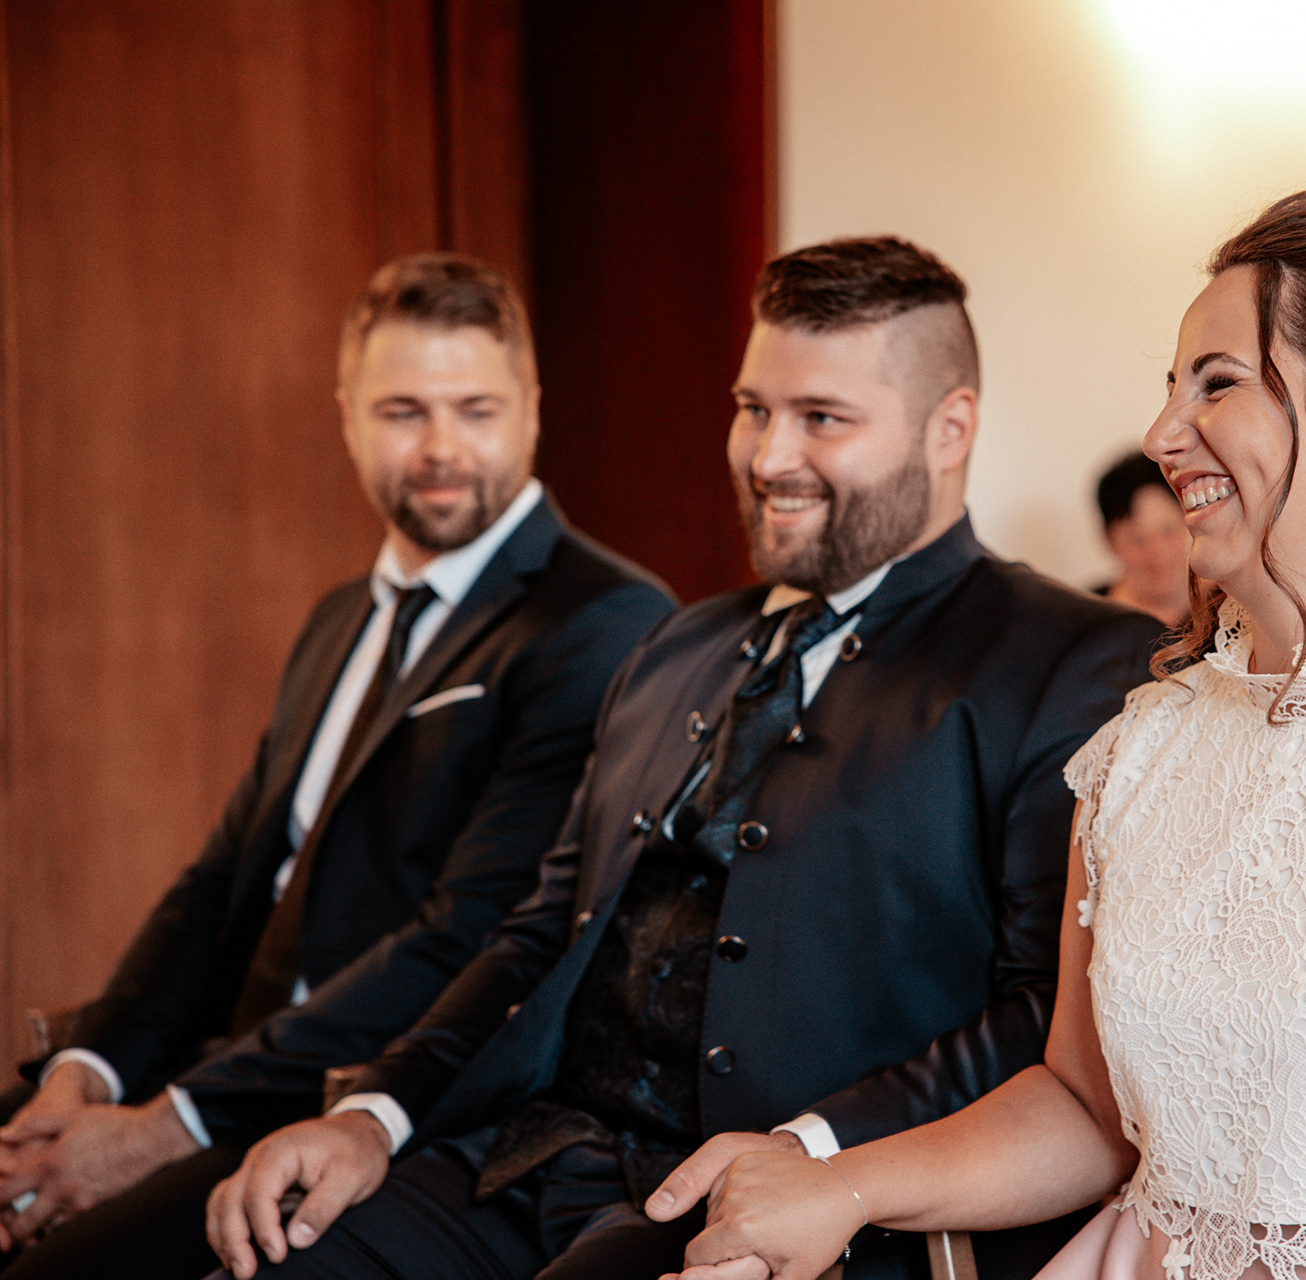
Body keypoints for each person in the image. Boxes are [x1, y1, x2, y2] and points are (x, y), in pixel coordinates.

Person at [663, 186, 1306, 1280]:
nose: (1162, 435)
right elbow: (1087, 1107)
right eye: (1170, 387)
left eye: (1216, 384)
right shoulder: (1139, 749)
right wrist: (841, 1185)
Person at [201, 237, 1163, 1280]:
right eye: (754, 409)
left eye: (822, 418)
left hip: (765, 1211)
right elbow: (541, 929)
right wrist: (376, 1114)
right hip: (516, 1159)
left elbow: (1045, 1018)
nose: (768, 456)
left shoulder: (1073, 663)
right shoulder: (675, 644)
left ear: (950, 427)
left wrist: (812, 1153)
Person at [0, 254, 676, 1278]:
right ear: (348, 416)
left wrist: (165, 1124)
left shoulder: (604, 620)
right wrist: (87, 1073)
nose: (442, 446)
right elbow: (218, 886)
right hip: (218, 1064)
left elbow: (469, 933)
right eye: (403, 410)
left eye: (477, 409)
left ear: (534, 411)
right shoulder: (337, 620)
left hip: (362, 1098)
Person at [1093, 452, 1190, 627]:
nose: (1157, 552)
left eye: (1167, 531)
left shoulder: (1231, 608)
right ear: (1109, 540)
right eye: (1137, 540)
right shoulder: (1086, 617)